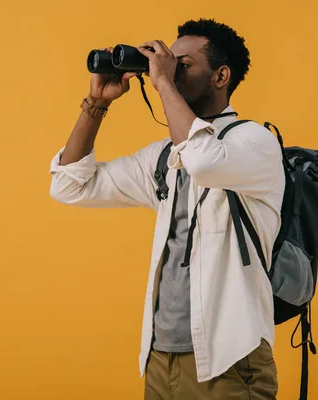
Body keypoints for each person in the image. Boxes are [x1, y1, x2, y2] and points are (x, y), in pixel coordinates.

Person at [49, 18, 284, 400]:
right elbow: (70, 185)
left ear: (220, 76)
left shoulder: (253, 142)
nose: (169, 70)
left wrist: (161, 83)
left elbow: (204, 161)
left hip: (229, 358)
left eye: (183, 64)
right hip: (160, 357)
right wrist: (97, 103)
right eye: (166, 62)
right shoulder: (164, 156)